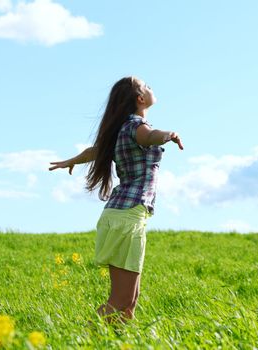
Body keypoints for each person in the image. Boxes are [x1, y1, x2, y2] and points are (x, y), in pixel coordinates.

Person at [48, 76, 184, 324]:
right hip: (127, 216)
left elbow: (95, 151)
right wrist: (168, 135)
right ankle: (79, 338)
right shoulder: (135, 127)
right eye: (147, 86)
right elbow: (149, 136)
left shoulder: (120, 130)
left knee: (129, 303)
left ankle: (115, 341)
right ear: (140, 99)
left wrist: (71, 160)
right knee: (121, 301)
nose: (151, 87)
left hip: (121, 215)